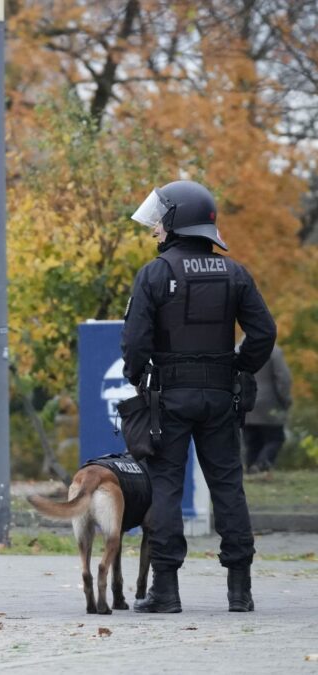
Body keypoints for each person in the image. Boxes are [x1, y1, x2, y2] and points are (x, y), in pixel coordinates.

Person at [121, 180, 276, 614]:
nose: (154, 227)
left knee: (166, 485)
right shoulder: (235, 274)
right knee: (228, 485)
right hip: (221, 395)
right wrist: (239, 366)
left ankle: (166, 592)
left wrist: (139, 378)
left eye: (159, 218)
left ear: (176, 221)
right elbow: (264, 333)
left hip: (169, 396)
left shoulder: (155, 273)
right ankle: (240, 592)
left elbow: (134, 342)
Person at [242, 343, 292, 473]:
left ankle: (251, 468)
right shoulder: (273, 351)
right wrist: (285, 399)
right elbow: (283, 379)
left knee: (251, 442)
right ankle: (261, 465)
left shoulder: (237, 349)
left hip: (245, 403)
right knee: (276, 438)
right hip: (269, 403)